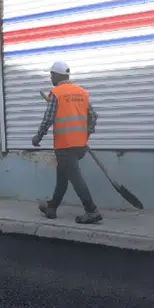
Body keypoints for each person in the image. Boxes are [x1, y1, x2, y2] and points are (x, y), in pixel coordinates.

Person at [33, 61, 102, 225]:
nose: (50, 77)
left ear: (57, 76)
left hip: (65, 144)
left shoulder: (57, 93)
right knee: (62, 175)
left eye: (51, 74)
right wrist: (86, 134)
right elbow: (94, 116)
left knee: (75, 177)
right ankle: (52, 207)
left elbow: (48, 119)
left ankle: (91, 210)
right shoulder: (81, 93)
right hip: (80, 145)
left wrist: (38, 137)